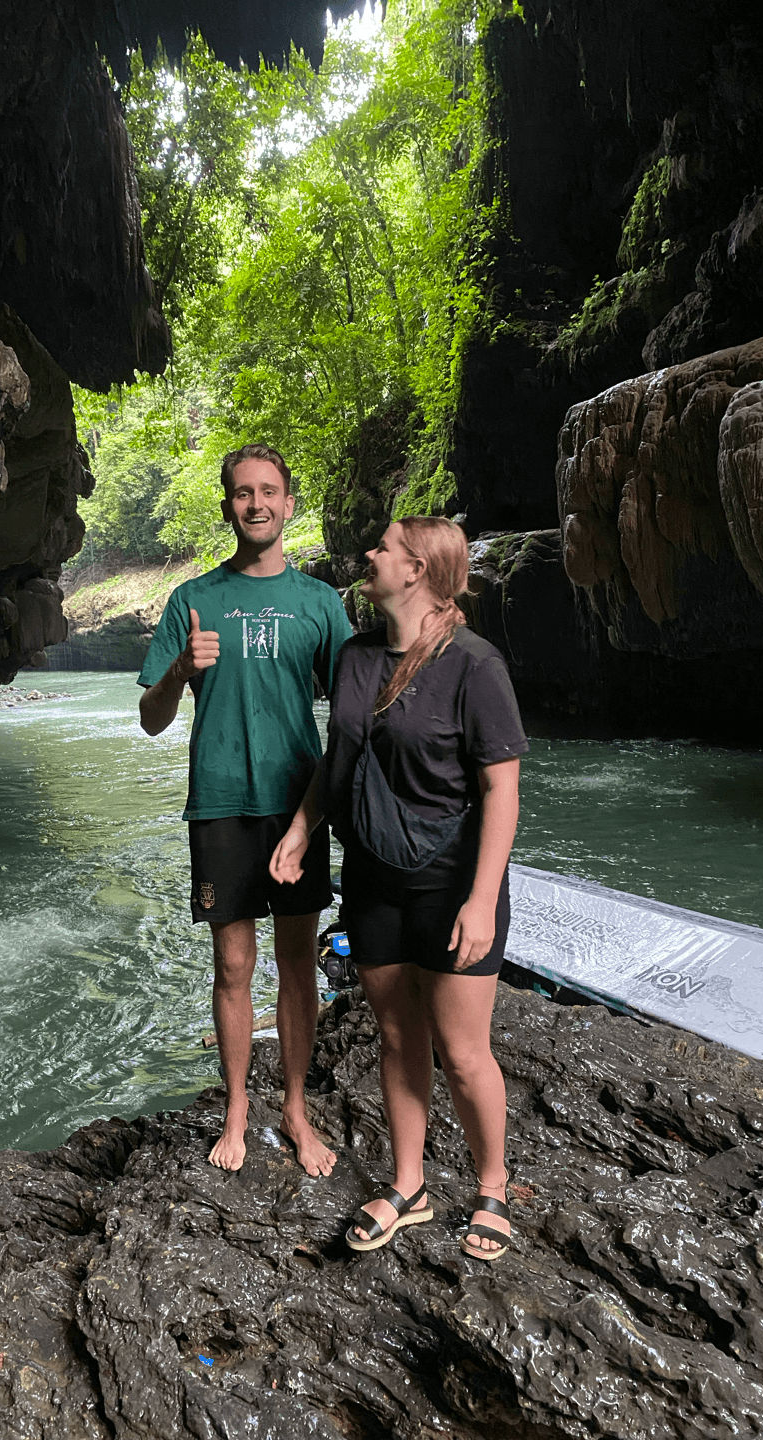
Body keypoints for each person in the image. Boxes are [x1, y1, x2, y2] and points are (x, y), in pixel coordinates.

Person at [270, 516, 527, 1258]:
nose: (368, 554)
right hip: (373, 879)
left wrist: (483, 899)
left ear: (416, 570)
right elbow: (339, 758)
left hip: (451, 883)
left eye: (381, 547)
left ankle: (491, 1185)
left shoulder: (475, 666)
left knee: (461, 1046)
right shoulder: (355, 657)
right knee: (394, 1032)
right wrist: (301, 827)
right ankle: (409, 1184)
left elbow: (501, 793)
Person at [137, 443, 352, 1176]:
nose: (255, 503)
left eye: (269, 492)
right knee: (233, 963)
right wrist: (177, 671)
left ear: (289, 505)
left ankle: (294, 1107)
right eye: (241, 493)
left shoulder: (322, 605)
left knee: (297, 960)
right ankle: (236, 1106)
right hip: (221, 803)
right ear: (227, 505)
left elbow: (355, 717)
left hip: (297, 806)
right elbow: (151, 720)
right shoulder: (191, 599)